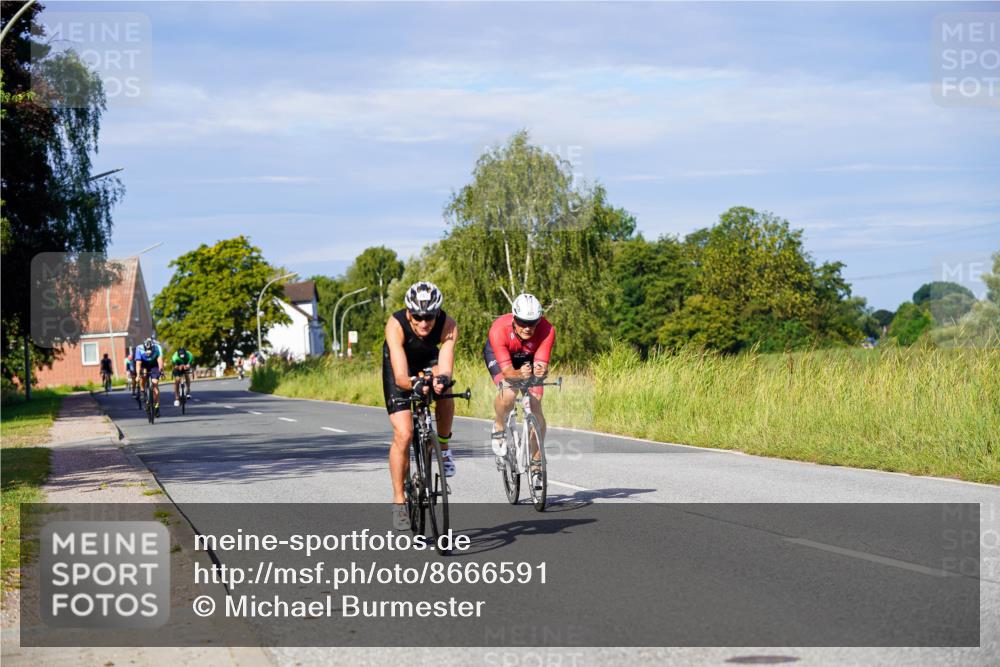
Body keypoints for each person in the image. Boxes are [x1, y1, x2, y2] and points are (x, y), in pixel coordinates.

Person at [382, 281, 458, 530]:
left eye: (430, 317)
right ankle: (399, 500)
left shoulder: (448, 325)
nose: (424, 323)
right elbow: (402, 377)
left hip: (428, 359)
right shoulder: (395, 325)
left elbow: (445, 366)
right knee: (404, 433)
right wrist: (414, 384)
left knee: (446, 389)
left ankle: (443, 448)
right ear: (408, 313)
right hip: (401, 367)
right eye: (418, 316)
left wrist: (441, 380)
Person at [483, 294, 555, 467]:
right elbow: (508, 372)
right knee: (508, 394)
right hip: (502, 356)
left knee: (535, 403)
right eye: (523, 322)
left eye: (533, 323)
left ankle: (537, 460)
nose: (528, 328)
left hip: (528, 357)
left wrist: (541, 370)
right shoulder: (498, 329)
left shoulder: (547, 330)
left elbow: (541, 365)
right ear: (514, 318)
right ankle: (499, 426)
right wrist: (518, 374)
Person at [134, 337, 164, 417]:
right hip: (144, 365)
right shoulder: (139, 348)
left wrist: (161, 371)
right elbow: (138, 364)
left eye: (150, 352)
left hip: (154, 365)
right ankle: (142, 390)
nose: (148, 354)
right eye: (147, 352)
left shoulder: (157, 347)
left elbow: (160, 361)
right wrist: (137, 375)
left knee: (155, 384)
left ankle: (156, 407)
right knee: (143, 374)